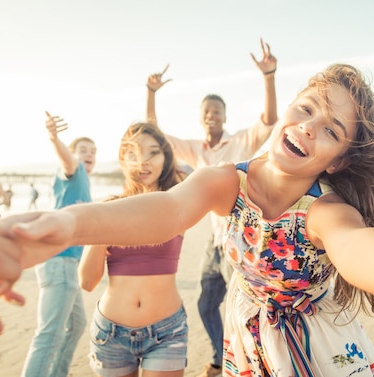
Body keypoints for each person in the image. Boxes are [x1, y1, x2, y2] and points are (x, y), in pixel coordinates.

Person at [0, 63, 374, 377]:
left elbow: (368, 254)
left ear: (341, 157)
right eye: (305, 110)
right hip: (248, 344)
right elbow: (164, 210)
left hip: (323, 355)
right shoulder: (226, 179)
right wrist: (71, 223)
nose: (307, 126)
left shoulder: (328, 211)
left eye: (330, 128)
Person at [145, 38, 277, 377]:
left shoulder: (241, 142)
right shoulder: (196, 149)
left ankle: (251, 363)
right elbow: (157, 135)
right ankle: (223, 357)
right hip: (214, 241)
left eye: (216, 112)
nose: (210, 117)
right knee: (206, 303)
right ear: (201, 118)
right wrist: (152, 93)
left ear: (224, 116)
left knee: (244, 305)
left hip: (243, 239)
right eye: (206, 112)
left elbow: (269, 119)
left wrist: (268, 76)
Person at [79, 122, 188, 377]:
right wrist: (102, 227)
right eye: (133, 153)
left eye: (153, 152)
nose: (143, 161)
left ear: (165, 157)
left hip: (167, 331)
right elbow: (86, 281)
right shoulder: (109, 208)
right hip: (111, 334)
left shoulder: (179, 202)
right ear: (122, 159)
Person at [20, 111, 97, 377]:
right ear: (74, 154)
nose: (90, 154)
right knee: (49, 334)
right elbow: (67, 160)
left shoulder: (83, 182)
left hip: (69, 265)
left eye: (94, 151)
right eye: (84, 150)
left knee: (76, 325)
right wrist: (54, 138)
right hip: (59, 262)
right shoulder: (74, 172)